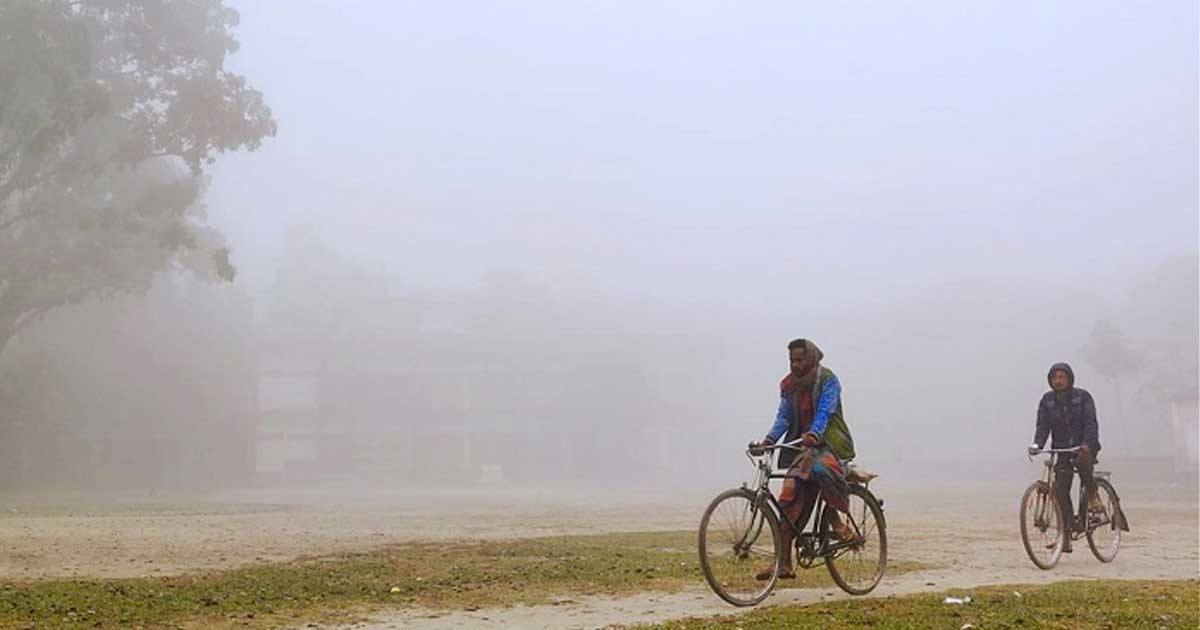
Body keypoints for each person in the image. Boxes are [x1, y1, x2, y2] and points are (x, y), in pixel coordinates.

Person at [751, 338, 856, 580]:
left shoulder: (828, 380)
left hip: (830, 444)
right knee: (788, 502)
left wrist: (815, 433)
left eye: (800, 360)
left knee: (820, 471)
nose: (795, 365)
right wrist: (769, 440)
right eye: (791, 361)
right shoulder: (789, 386)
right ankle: (784, 564)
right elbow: (784, 417)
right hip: (804, 448)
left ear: (810, 359)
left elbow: (825, 412)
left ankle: (836, 521)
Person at [1028, 362, 1104, 552]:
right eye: (1054, 378)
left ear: (1069, 378)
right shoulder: (1047, 401)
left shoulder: (1083, 397)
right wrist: (1038, 444)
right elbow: (1043, 426)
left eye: (1062, 377)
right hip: (1061, 449)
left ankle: (1093, 495)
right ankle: (1068, 530)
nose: (1058, 381)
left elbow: (1091, 423)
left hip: (1084, 447)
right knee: (1060, 490)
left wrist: (1088, 443)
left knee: (1081, 461)